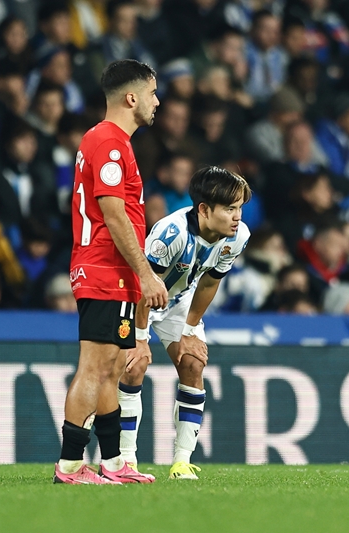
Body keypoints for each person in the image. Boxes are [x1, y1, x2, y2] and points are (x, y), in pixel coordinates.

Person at [55, 59, 167, 485]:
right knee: (94, 366)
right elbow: (114, 214)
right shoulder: (110, 142)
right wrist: (147, 274)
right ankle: (69, 466)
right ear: (132, 97)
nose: (158, 102)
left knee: (112, 366)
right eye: (154, 93)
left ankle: (114, 462)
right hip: (104, 268)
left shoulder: (108, 141)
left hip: (113, 272)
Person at [118, 166, 251, 479]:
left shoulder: (237, 237)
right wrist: (139, 338)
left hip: (177, 301)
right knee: (133, 366)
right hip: (138, 299)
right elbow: (143, 285)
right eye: (230, 208)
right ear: (204, 209)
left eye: (240, 208)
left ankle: (181, 462)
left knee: (193, 363)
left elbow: (209, 283)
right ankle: (125, 459)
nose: (237, 217)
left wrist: (191, 330)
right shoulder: (171, 234)